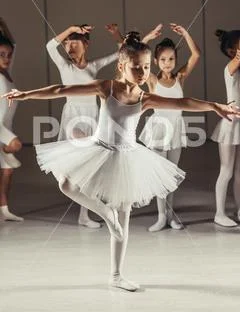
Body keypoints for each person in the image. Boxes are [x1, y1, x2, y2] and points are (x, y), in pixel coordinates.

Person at [2, 32, 238, 291]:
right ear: (122, 66)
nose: (142, 72)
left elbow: (182, 102)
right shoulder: (107, 87)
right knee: (67, 184)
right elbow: (60, 90)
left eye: (146, 67)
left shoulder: (144, 98)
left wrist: (215, 106)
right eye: (136, 67)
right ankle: (104, 213)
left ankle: (116, 275)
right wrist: (24, 95)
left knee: (123, 217)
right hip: (98, 148)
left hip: (128, 157)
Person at [46, 23, 123, 228]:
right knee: (78, 162)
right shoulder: (65, 66)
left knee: (89, 167)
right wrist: (71, 28)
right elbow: (49, 46)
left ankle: (84, 214)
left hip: (92, 115)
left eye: (74, 43)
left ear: (86, 45)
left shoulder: (93, 67)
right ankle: (74, 194)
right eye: (67, 44)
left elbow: (121, 52)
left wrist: (116, 34)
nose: (70, 48)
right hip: (73, 116)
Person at [140, 23, 200, 231]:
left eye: (171, 59)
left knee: (172, 175)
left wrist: (185, 33)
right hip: (158, 130)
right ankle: (160, 217)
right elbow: (136, 57)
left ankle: (171, 215)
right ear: (155, 61)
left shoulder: (179, 78)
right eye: (163, 59)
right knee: (160, 175)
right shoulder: (152, 79)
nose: (167, 63)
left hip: (175, 129)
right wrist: (147, 37)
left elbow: (196, 55)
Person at [211, 29, 240, 227]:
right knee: (226, 170)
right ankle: (219, 213)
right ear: (231, 51)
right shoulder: (230, 66)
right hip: (231, 123)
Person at [0, 17, 23, 222]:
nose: (6, 59)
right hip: (0, 128)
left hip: (6, 126)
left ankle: (4, 209)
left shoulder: (7, 73)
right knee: (14, 147)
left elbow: (13, 44)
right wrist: (8, 140)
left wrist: (3, 24)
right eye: (1, 55)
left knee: (7, 170)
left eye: (8, 56)